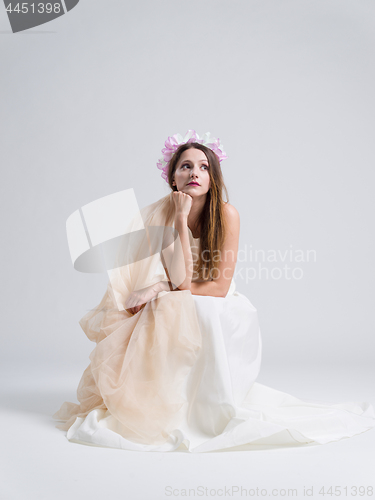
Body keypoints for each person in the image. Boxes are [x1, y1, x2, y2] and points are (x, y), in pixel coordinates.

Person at [53, 130, 375, 453]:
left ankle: (208, 409)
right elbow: (179, 280)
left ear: (212, 177)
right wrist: (179, 219)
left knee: (192, 309)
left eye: (204, 167)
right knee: (164, 310)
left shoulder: (227, 215)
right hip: (179, 294)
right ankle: (168, 404)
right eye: (185, 166)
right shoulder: (161, 215)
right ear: (172, 179)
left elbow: (217, 286)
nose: (194, 172)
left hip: (218, 298)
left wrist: (161, 287)